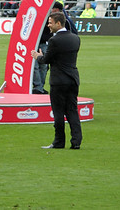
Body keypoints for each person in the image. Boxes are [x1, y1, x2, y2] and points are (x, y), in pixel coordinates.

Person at [31, 12, 82, 150]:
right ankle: (76, 141)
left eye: (50, 22)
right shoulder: (75, 38)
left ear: (58, 23)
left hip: (59, 80)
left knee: (58, 112)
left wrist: (38, 56)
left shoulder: (54, 40)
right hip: (73, 79)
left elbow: (47, 60)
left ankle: (59, 142)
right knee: (72, 110)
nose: (48, 25)